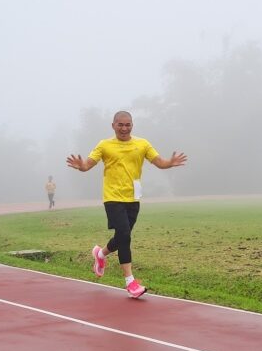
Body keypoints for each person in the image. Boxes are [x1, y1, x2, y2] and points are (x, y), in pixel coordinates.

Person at [66, 110, 187, 299]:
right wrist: (81, 166)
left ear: (132, 125)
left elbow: (159, 162)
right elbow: (88, 164)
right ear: (113, 125)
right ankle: (130, 282)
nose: (124, 128)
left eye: (127, 124)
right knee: (124, 235)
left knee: (123, 236)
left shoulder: (142, 144)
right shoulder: (104, 145)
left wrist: (170, 163)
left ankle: (100, 253)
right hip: (112, 198)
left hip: (133, 198)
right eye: (120, 124)